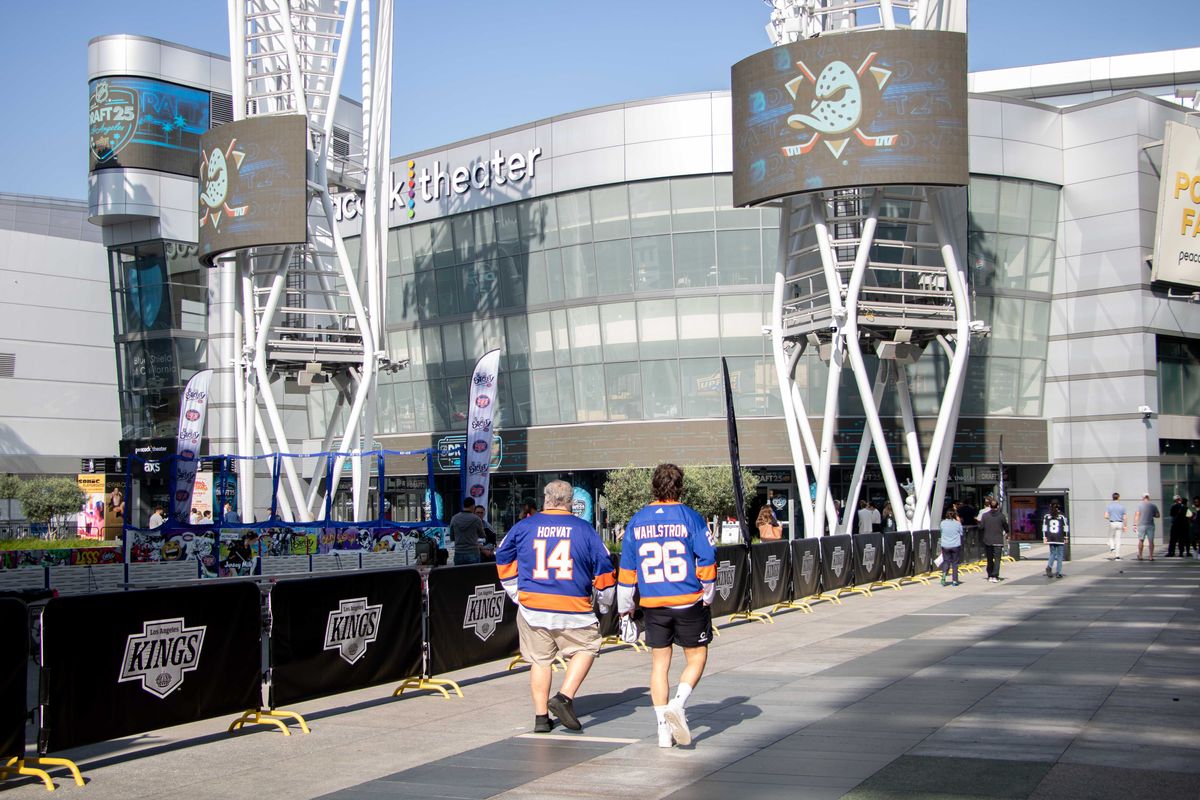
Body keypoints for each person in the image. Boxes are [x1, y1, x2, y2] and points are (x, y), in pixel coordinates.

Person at [496, 480, 615, 734]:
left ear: (545, 499)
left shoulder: (524, 526)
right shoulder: (584, 529)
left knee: (540, 660)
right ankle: (564, 697)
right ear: (570, 502)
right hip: (573, 605)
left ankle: (541, 718)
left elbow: (502, 555)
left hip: (533, 606)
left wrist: (515, 591)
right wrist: (605, 601)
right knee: (587, 646)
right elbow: (605, 566)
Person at [618, 463, 716, 748]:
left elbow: (627, 572)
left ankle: (663, 729)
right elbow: (707, 560)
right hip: (686, 600)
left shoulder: (636, 521)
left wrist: (626, 609)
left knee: (659, 664)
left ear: (653, 486)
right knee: (696, 657)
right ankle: (679, 702)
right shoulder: (690, 517)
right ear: (680, 486)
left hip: (653, 603)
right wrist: (707, 595)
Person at [980, 498, 1009, 582]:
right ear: (998, 506)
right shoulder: (1001, 516)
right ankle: (995, 575)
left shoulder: (985, 516)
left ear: (989, 506)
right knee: (997, 559)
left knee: (989, 559)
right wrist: (1007, 532)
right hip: (998, 540)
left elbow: (981, 527)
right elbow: (1006, 526)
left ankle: (990, 575)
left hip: (987, 540)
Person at [449, 497, 485, 565]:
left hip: (459, 552)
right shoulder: (476, 519)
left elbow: (452, 537)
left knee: (460, 575)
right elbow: (482, 535)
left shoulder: (454, 518)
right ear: (473, 506)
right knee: (473, 575)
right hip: (473, 552)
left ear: (464, 505)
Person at [1042, 502, 1069, 578]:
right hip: (1059, 537)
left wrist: (1044, 537)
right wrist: (1066, 537)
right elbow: (1065, 527)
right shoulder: (1061, 516)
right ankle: (1058, 572)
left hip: (1051, 537)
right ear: (1058, 507)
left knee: (1052, 553)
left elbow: (1044, 527)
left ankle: (1049, 566)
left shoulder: (1047, 516)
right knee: (1060, 555)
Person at [939, 508, 963, 587]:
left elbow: (941, 531)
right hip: (955, 545)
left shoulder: (942, 523)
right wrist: (959, 521)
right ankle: (955, 580)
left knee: (946, 561)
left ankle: (944, 576)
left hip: (945, 545)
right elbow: (961, 533)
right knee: (955, 563)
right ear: (955, 515)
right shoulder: (957, 523)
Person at [1134, 492, 1159, 561]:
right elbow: (1158, 515)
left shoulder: (1139, 506)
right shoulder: (1153, 506)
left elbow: (1137, 515)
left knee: (1141, 540)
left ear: (1143, 497)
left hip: (1141, 525)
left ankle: (1140, 555)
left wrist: (1135, 524)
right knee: (1151, 541)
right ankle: (1151, 556)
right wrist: (1152, 514)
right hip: (1150, 525)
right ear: (1148, 497)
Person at [1104, 492, 1127, 560]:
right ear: (1118, 497)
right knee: (1118, 540)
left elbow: (1105, 516)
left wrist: (1110, 518)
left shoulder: (1109, 506)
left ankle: (1112, 547)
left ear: (1112, 498)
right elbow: (1125, 517)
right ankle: (1117, 556)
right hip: (1120, 523)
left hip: (1112, 523)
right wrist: (1125, 526)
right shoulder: (1122, 507)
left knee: (1111, 537)